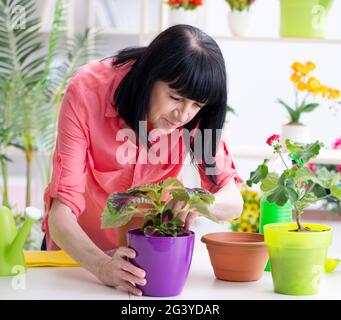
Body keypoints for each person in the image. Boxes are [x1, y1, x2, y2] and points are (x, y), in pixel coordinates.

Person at [42, 24, 244, 296]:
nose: (183, 115)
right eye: (175, 97)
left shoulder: (195, 117)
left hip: (149, 265)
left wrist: (199, 202)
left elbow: (233, 200)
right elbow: (61, 214)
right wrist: (101, 266)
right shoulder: (87, 91)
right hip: (79, 259)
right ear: (149, 76)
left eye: (197, 104)